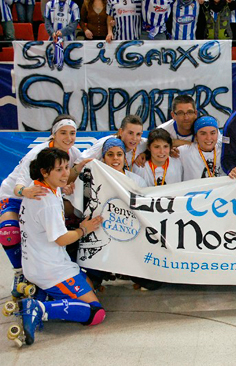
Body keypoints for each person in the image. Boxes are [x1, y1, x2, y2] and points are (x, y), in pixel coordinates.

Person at [12, 147, 105, 346]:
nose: (66, 174)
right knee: (96, 312)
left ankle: (40, 292)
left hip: (39, 263)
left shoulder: (37, 187)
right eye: (59, 170)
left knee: (90, 284)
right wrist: (83, 229)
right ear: (45, 172)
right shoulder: (47, 202)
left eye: (66, 167)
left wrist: (69, 179)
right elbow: (61, 239)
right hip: (50, 269)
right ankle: (38, 308)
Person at [0, 115, 86, 299]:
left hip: (42, 195)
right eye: (63, 133)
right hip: (16, 196)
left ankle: (63, 262)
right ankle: (19, 272)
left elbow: (82, 165)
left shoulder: (74, 152)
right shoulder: (37, 154)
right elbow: (18, 186)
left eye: (72, 133)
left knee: (75, 212)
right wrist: (26, 192)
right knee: (9, 232)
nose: (68, 138)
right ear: (53, 134)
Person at [76, 115, 147, 172]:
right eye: (130, 133)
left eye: (138, 134)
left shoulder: (142, 143)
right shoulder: (103, 144)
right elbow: (78, 164)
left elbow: (157, 145)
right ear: (121, 132)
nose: (134, 138)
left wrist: (147, 154)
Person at [178, 116, 225, 180]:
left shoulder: (224, 149)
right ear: (196, 136)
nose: (208, 138)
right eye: (203, 134)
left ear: (217, 134)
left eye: (213, 133)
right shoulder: (184, 152)